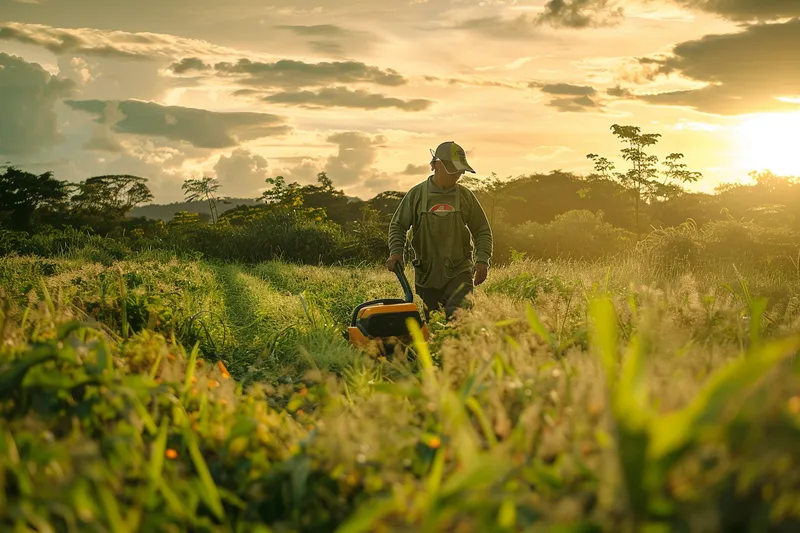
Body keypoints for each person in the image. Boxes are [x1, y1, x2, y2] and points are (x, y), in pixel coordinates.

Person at [386, 141, 493, 322]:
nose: (457, 175)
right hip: (427, 273)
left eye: (459, 171)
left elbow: (482, 229)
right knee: (435, 323)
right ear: (436, 165)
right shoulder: (417, 194)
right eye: (452, 170)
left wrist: (482, 259)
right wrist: (396, 252)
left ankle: (461, 348)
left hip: (459, 270)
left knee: (459, 317)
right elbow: (398, 225)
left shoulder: (465, 196)